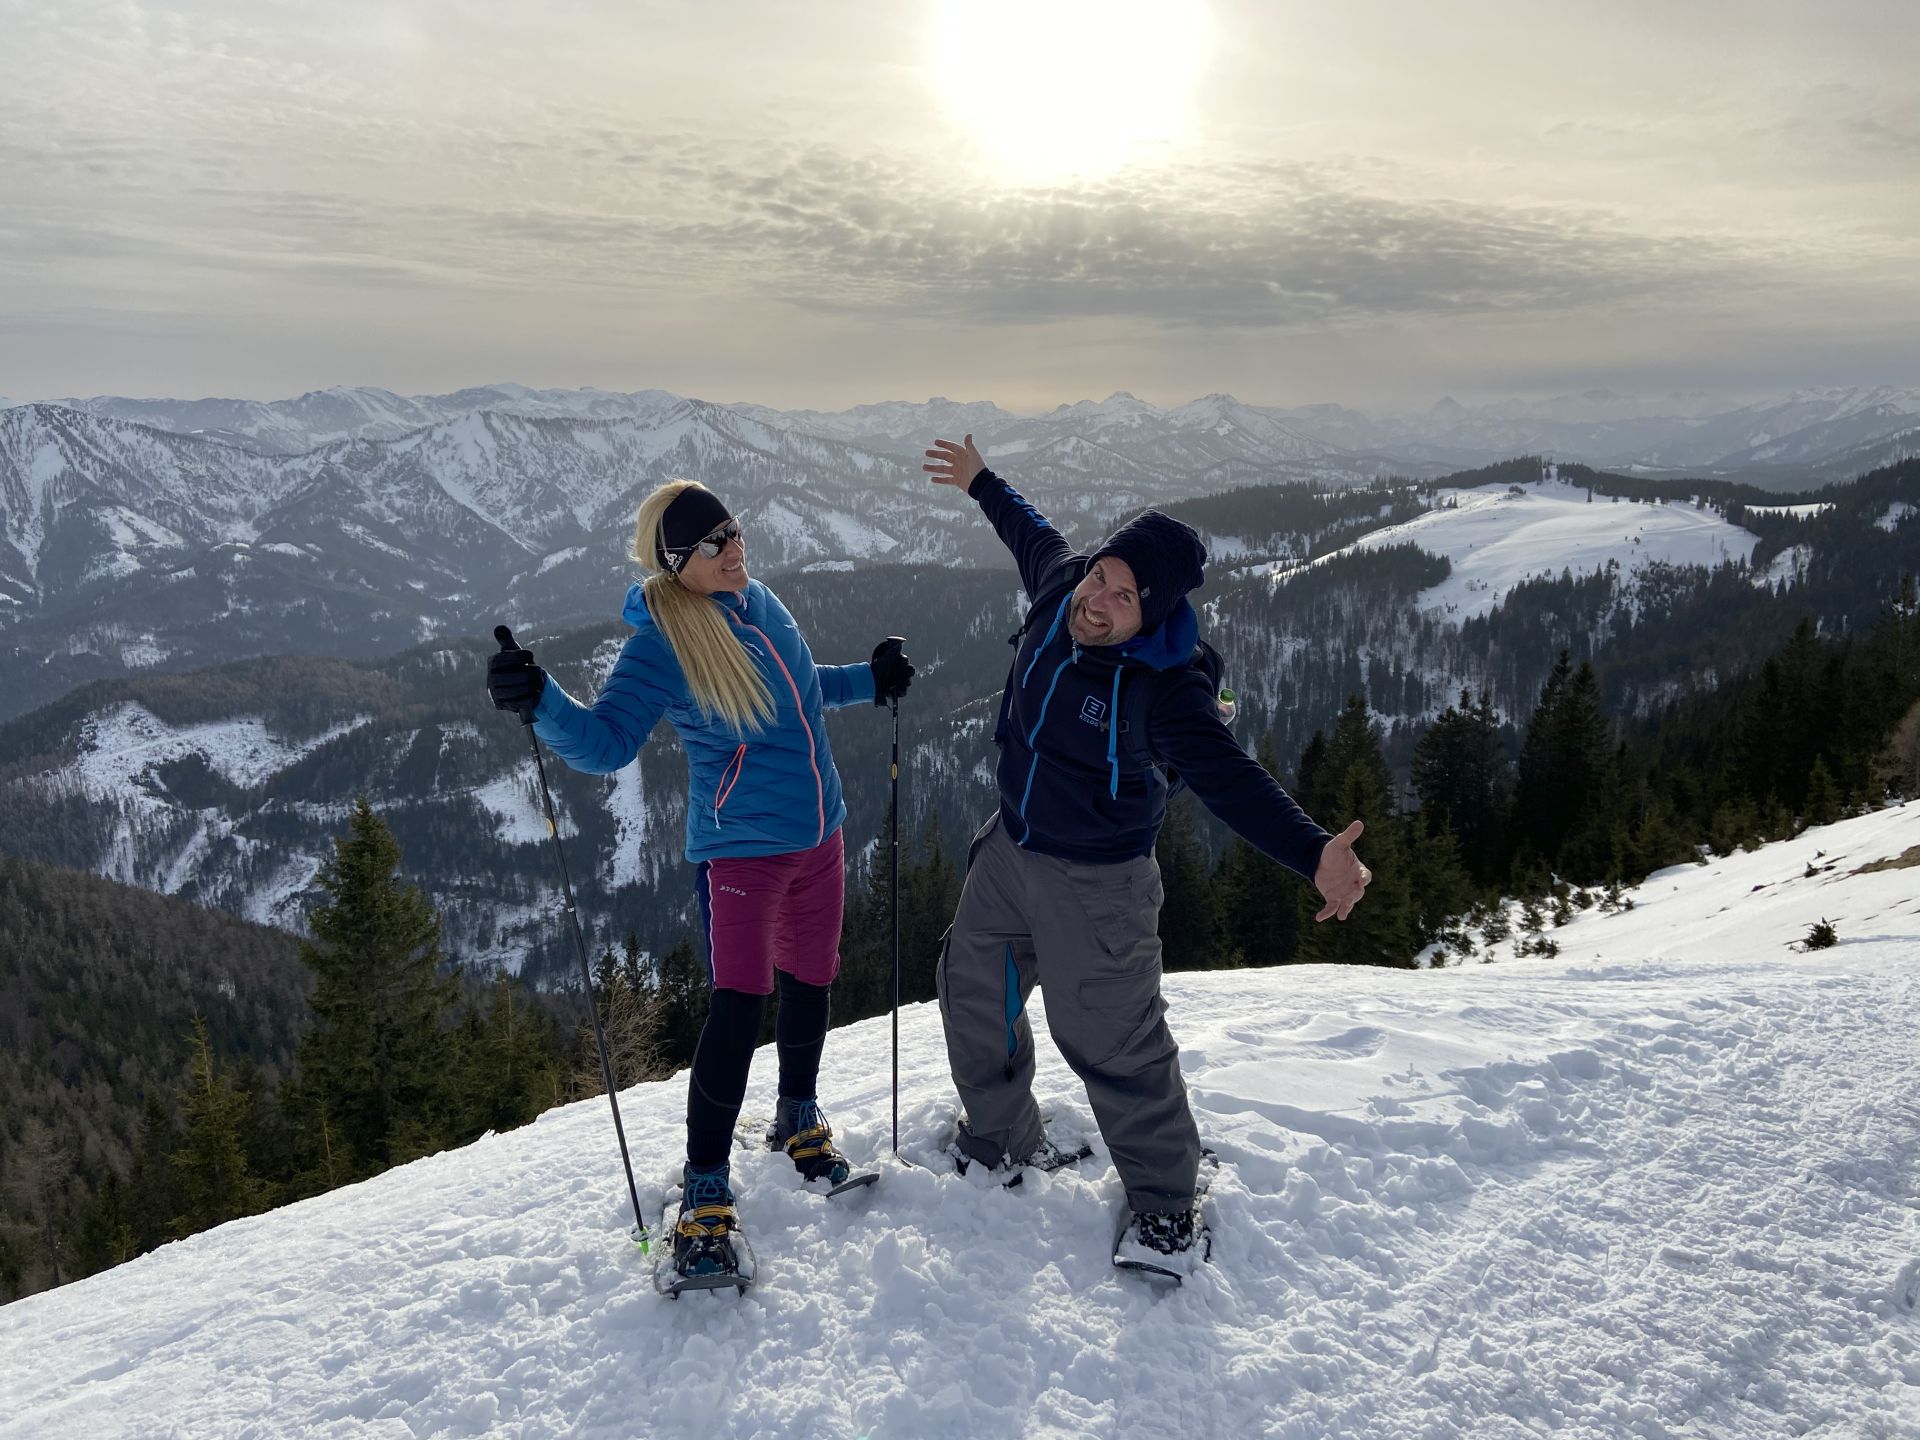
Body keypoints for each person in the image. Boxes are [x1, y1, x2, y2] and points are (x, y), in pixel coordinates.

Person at [921, 434, 1370, 1256]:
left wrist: (1315, 854)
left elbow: (1233, 780)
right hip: (1010, 848)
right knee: (972, 989)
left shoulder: (1166, 693)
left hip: (1099, 883)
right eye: (1102, 575)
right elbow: (1034, 533)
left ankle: (1166, 1200)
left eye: (1123, 597)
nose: (1098, 598)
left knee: (1112, 1042)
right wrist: (982, 480)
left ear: (1152, 613)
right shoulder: (1063, 588)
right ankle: (1001, 1138)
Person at [485, 479, 914, 1280]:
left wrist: (869, 678)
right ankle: (706, 1191)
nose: (735, 548)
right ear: (678, 563)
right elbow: (607, 742)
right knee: (737, 1008)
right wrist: (538, 700)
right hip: (741, 853)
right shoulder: (662, 643)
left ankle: (797, 1119)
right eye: (713, 543)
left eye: (735, 530)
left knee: (812, 982)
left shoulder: (759, 602)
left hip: (820, 834)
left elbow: (802, 688)